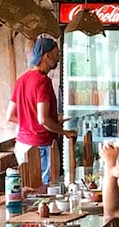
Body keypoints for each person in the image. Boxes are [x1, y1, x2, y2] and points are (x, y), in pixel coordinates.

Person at [6, 38, 77, 185]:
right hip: (40, 147)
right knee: (43, 192)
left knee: (30, 190)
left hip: (22, 145)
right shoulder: (43, 81)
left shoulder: (21, 80)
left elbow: (11, 116)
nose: (59, 58)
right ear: (46, 56)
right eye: (56, 54)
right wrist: (65, 132)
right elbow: (43, 119)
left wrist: (35, 121)